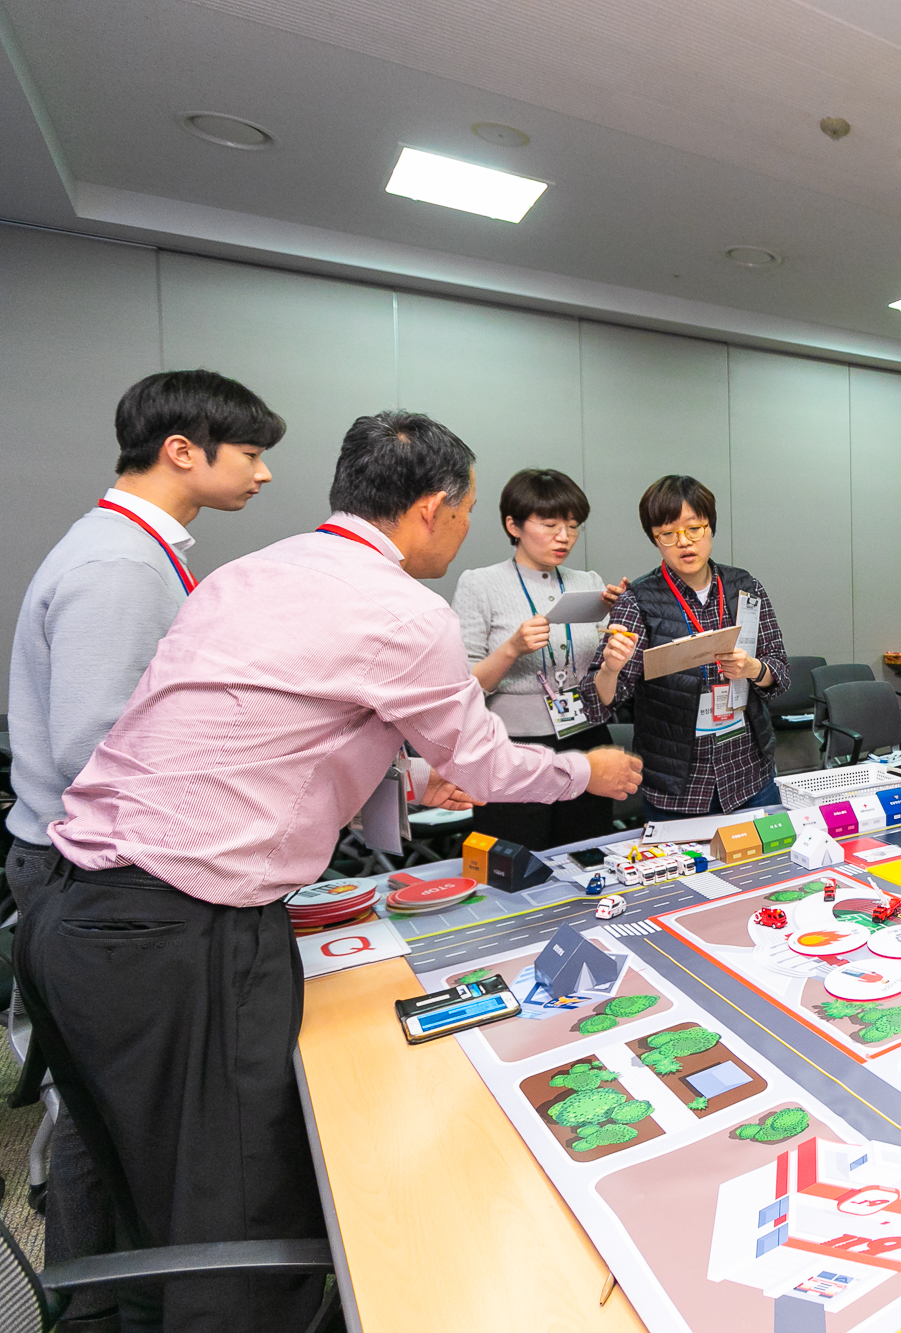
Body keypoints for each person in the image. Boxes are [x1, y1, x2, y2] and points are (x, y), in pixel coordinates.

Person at [17, 410, 644, 1330]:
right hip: (180, 928)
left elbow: (266, 732)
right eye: (468, 507)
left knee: (138, 1193)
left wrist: (405, 776)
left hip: (72, 914)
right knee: (234, 1206)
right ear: (431, 508)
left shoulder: (252, 571)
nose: (464, 524)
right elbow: (485, 765)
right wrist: (588, 771)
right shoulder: (404, 609)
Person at [5, 368, 282, 1332]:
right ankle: (104, 1304)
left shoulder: (135, 551)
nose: (263, 473)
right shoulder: (120, 565)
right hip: (93, 878)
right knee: (112, 1109)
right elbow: (98, 746)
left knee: (106, 1106)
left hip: (94, 868)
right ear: (182, 450)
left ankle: (111, 1291)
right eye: (250, 453)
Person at [588, 474, 792, 814]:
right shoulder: (638, 600)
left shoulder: (745, 586)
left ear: (710, 527)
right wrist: (610, 668)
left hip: (749, 773)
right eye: (668, 534)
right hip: (678, 786)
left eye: (694, 529)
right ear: (655, 539)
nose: (683, 542)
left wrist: (753, 668)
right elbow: (602, 702)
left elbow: (780, 672)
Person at [453, 468, 629, 849]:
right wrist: (512, 649)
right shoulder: (480, 584)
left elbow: (604, 673)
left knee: (587, 856)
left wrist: (621, 625)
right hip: (511, 750)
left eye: (573, 526)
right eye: (550, 525)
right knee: (516, 862)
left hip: (586, 739)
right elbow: (464, 687)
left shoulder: (589, 583)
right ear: (513, 525)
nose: (564, 537)